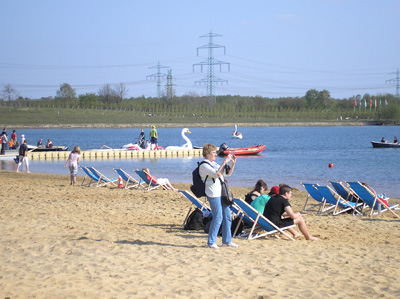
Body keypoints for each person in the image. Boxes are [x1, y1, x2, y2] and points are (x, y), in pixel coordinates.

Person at [199, 143, 238, 249]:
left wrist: (232, 163)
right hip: (213, 194)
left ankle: (227, 241)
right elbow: (216, 174)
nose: (216, 154)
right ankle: (211, 242)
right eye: (213, 153)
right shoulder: (204, 165)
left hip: (222, 193)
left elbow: (227, 174)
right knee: (218, 217)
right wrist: (225, 161)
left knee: (228, 217)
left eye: (216, 152)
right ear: (207, 154)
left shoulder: (214, 164)